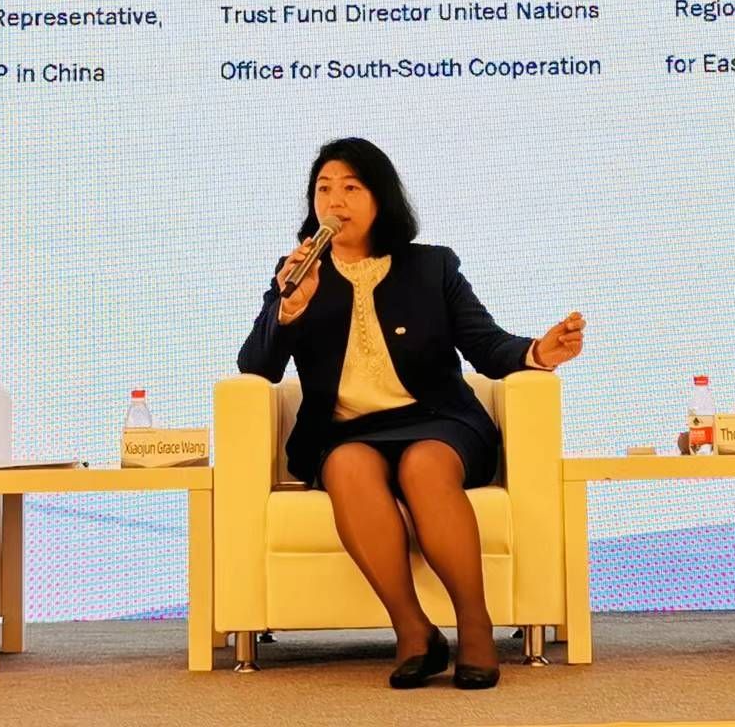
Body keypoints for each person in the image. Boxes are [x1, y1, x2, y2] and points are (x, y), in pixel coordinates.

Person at [238, 138, 584, 689]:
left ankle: (475, 625)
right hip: (346, 432)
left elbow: (485, 343)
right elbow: (257, 367)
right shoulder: (297, 272)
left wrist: (538, 353)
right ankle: (414, 630)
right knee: (348, 467)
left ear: (381, 198)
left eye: (351, 187)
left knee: (424, 467)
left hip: (438, 420)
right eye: (324, 189)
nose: (335, 201)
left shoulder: (431, 266)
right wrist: (290, 306)